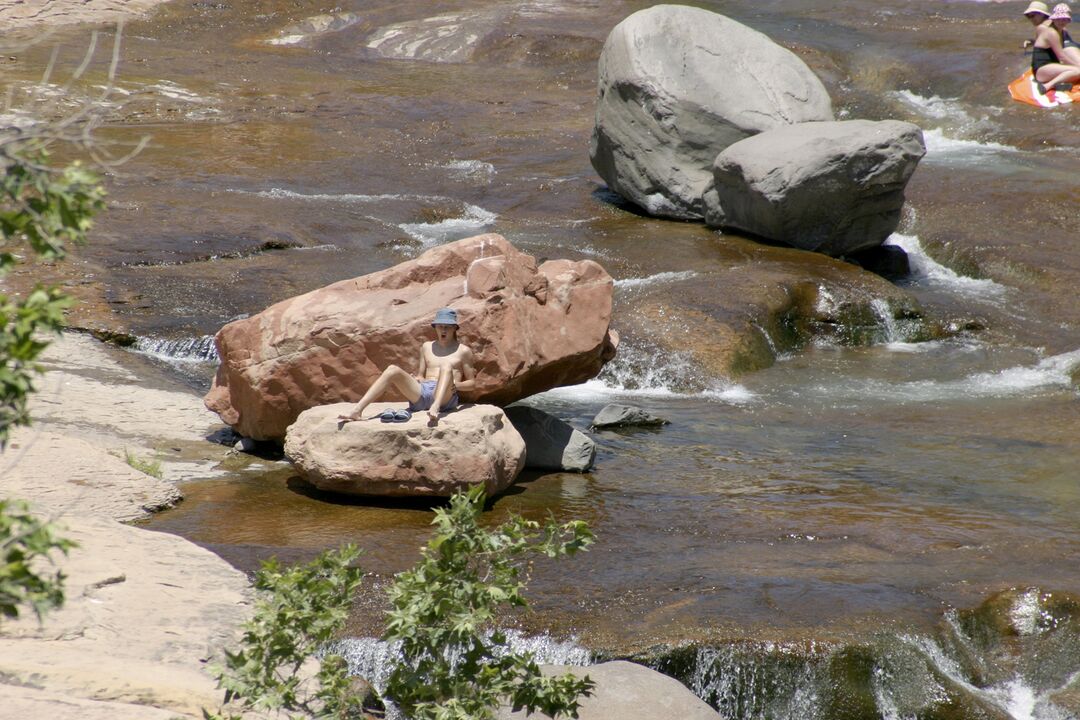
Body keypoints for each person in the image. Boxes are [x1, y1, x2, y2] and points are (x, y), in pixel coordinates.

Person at [337, 308, 477, 425]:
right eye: (440, 326)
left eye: (447, 327)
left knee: (446, 366)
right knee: (393, 369)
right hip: (423, 392)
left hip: (445, 396)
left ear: (454, 328)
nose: (443, 330)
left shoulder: (463, 351)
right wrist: (417, 379)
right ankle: (357, 410)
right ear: (435, 328)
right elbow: (421, 374)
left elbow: (472, 384)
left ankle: (435, 407)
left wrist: (456, 385)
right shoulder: (426, 347)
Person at [1030, 3, 1080, 93]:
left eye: (1065, 19)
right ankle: (1047, 86)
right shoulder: (1052, 33)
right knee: (1077, 71)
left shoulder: (1060, 31)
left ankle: (1059, 84)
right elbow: (1062, 57)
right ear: (1053, 19)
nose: (1062, 22)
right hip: (1041, 70)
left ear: (1068, 20)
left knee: (1076, 70)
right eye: (1059, 19)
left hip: (1050, 67)